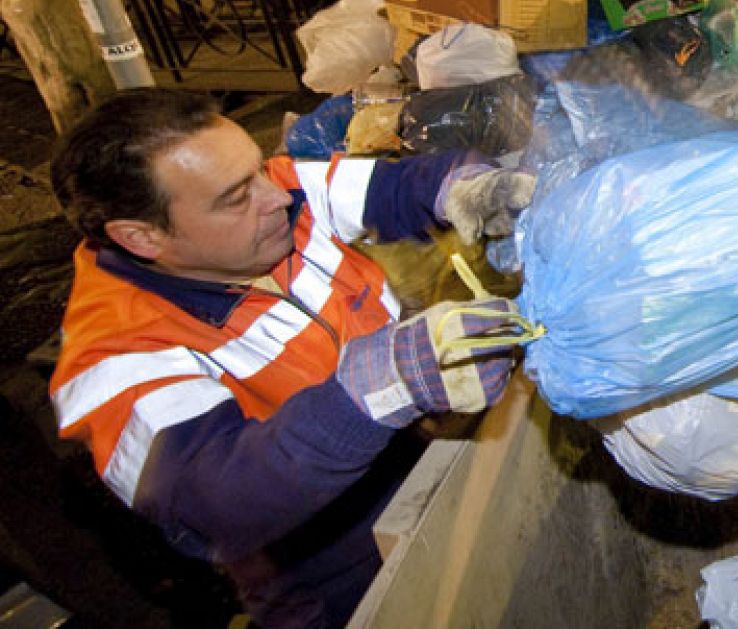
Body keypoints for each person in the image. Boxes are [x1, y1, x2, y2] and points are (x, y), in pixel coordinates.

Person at [47, 89, 538, 627]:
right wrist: (385, 384)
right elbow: (222, 504)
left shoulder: (275, 196)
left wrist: (466, 188)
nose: (276, 195)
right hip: (331, 572)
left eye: (257, 169)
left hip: (419, 465)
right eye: (235, 195)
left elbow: (397, 186)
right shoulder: (116, 359)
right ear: (141, 236)